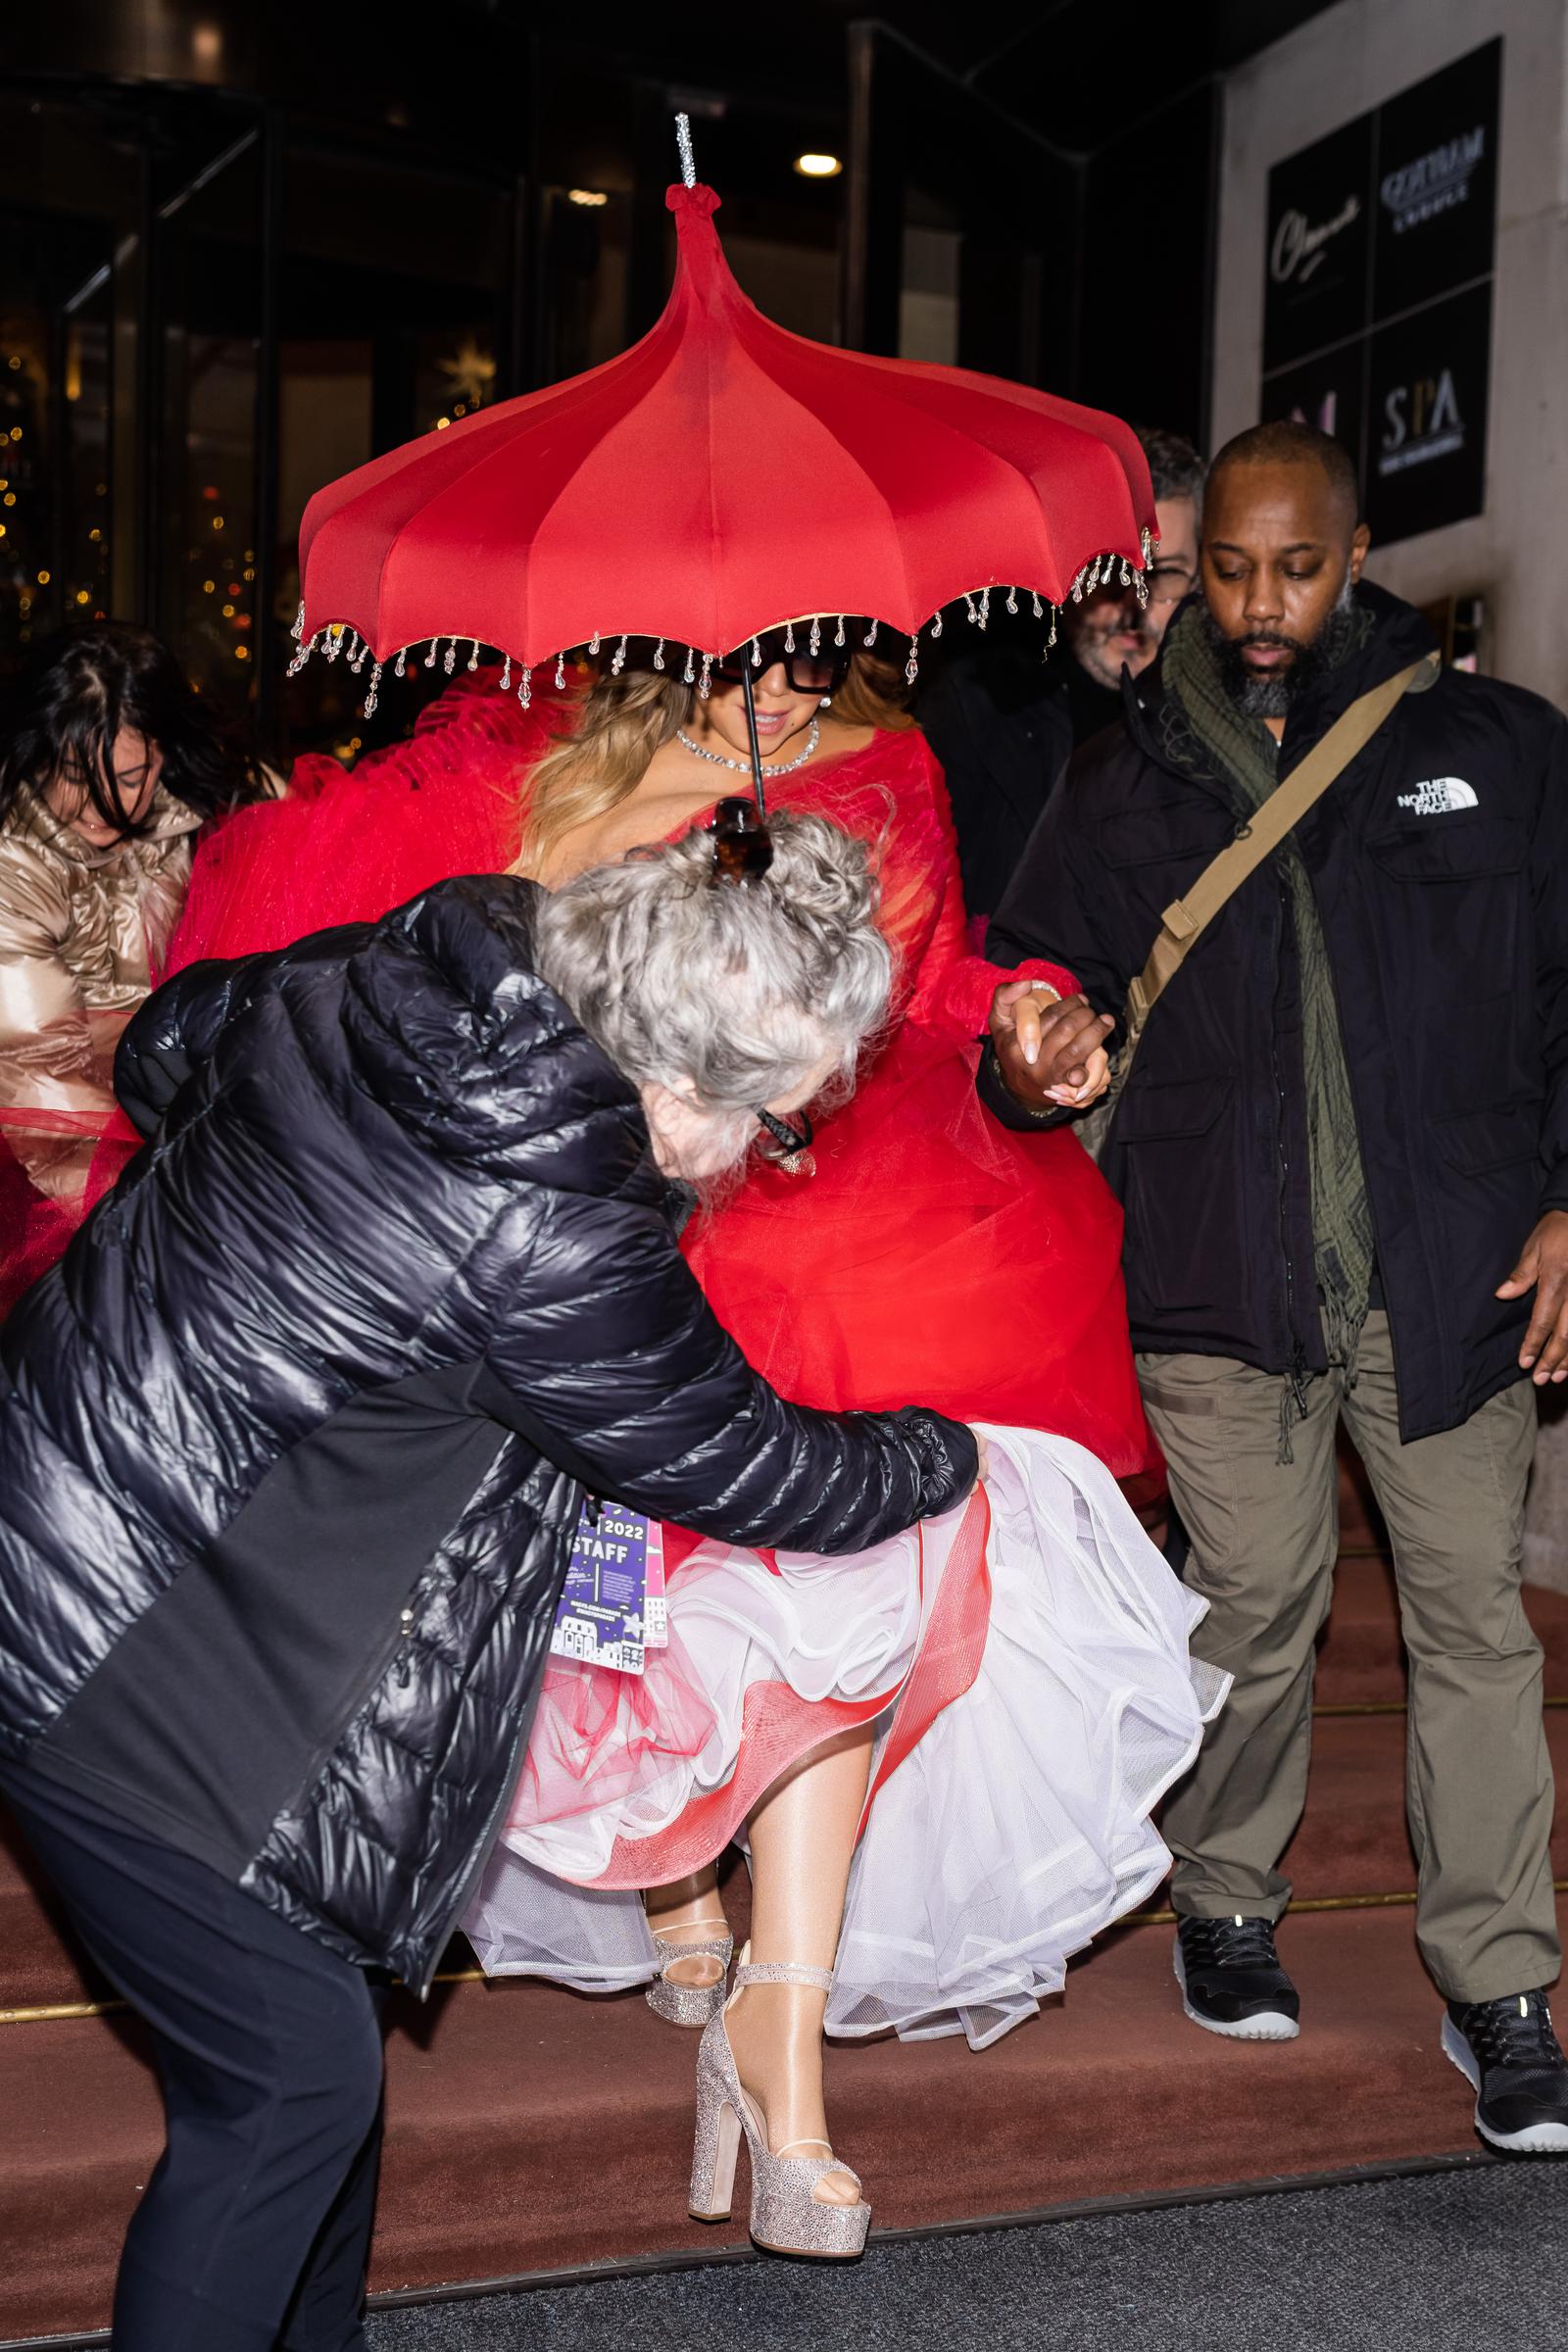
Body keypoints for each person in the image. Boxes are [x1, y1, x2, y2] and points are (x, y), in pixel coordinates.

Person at [170, 628, 1219, 2257]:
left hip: (824, 1221)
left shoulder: (887, 772)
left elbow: (925, 998)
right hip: (602, 1255)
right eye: (761, 662)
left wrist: (1015, 1026)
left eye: (829, 655)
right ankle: (681, 1904)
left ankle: (777, 2055)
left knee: (834, 1583)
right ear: (671, 643)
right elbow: (453, 998)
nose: (796, 693)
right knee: (645, 1622)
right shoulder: (553, 796)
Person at [0, 813, 987, 2350]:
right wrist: (952, 1451)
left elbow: (168, 1047)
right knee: (287, 2080)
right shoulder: (561, 1233)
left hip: (95, 1509)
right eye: (780, 1126)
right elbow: (752, 1466)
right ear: (675, 1087)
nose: (767, 1161)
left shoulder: (402, 965)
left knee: (312, 2079)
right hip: (118, 1639)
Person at [981, 417, 1568, 2156]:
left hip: (1449, 1268)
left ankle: (1506, 1990)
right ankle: (1223, 1893)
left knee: (1471, 1615)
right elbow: (1036, 995)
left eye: (1294, 567)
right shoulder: (1123, 776)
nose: (1254, 601)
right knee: (1253, 1602)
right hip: (1217, 1260)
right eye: (1225, 565)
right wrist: (1032, 1055)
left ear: (1360, 547)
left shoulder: (1504, 751)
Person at [0, 623, 269, 1312]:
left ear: (163, 752)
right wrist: (176, 1202)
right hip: (67, 1172)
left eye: (125, 778)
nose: (96, 811)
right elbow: (41, 1084)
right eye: (71, 777)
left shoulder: (212, 808)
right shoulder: (13, 865)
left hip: (199, 1124)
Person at [918, 424, 1204, 918]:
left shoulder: (1226, 722)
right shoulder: (976, 704)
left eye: (1164, 576)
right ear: (1071, 568)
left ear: (1203, 580)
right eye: (1115, 572)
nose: (1134, 604)